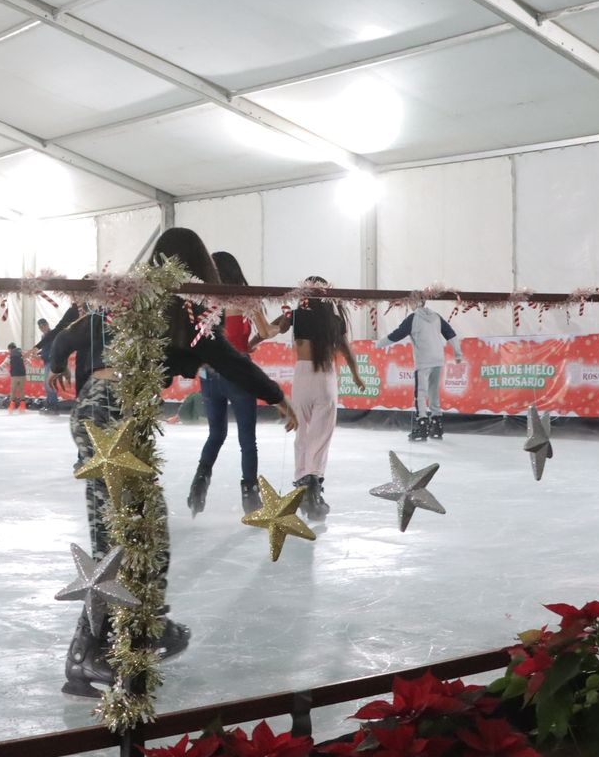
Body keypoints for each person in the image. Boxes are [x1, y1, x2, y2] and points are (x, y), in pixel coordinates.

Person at [47, 228, 295, 698]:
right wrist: (277, 394)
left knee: (143, 529)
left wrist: (57, 363)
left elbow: (71, 334)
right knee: (121, 537)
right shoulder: (182, 308)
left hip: (101, 409)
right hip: (114, 413)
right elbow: (227, 358)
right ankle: (90, 657)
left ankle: (133, 631)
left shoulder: (129, 301)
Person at [187, 251, 283, 516]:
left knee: (216, 434)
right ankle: (250, 497)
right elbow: (265, 332)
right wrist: (279, 326)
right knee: (247, 440)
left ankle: (199, 482)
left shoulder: (202, 302)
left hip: (209, 376)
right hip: (238, 376)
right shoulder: (246, 299)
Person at [274, 277, 366, 522]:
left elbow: (277, 328)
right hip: (325, 379)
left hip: (302, 377)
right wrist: (355, 375)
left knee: (302, 433)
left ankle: (302, 485)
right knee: (321, 435)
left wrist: (253, 340)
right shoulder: (333, 321)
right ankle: (313, 484)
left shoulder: (296, 315)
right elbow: (346, 349)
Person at [383, 300, 463, 441]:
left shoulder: (413, 318)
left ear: (413, 303)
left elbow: (398, 333)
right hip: (438, 359)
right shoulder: (436, 316)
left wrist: (379, 344)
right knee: (433, 391)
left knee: (421, 393)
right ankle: (437, 425)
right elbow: (450, 333)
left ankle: (422, 426)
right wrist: (458, 353)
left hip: (424, 361)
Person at [0, 342, 27, 412]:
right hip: (22, 374)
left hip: (14, 375)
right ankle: (23, 405)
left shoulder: (10, 356)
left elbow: (4, 364)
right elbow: (28, 362)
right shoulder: (21, 353)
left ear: (10, 349)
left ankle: (12, 406)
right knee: (21, 389)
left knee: (13, 390)